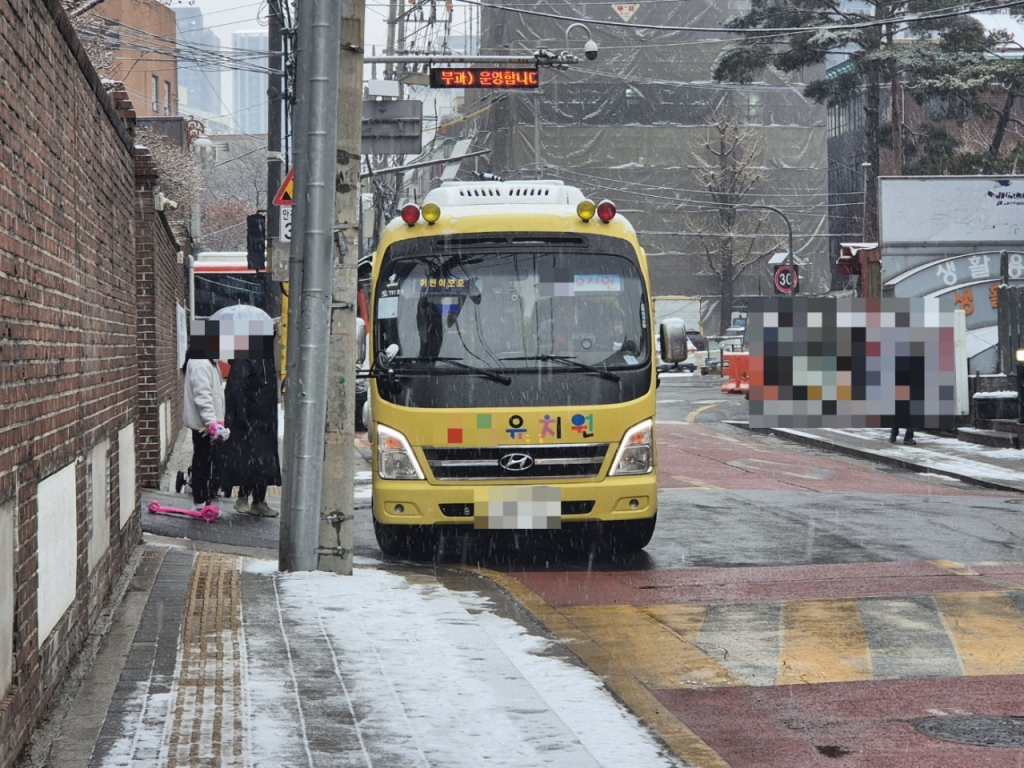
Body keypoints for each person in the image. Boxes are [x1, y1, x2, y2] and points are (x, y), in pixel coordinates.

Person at [218, 350, 282, 517]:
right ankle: (245, 498)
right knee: (251, 459)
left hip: (264, 420)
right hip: (251, 421)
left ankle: (258, 500)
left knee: (262, 462)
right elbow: (236, 388)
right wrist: (243, 416)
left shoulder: (264, 357)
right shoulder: (246, 357)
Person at [182, 349, 230, 510]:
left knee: (205, 460)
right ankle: (200, 502)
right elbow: (203, 397)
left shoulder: (209, 361)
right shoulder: (201, 363)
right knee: (202, 462)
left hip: (208, 424)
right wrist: (212, 424)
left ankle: (203, 499)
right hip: (204, 426)